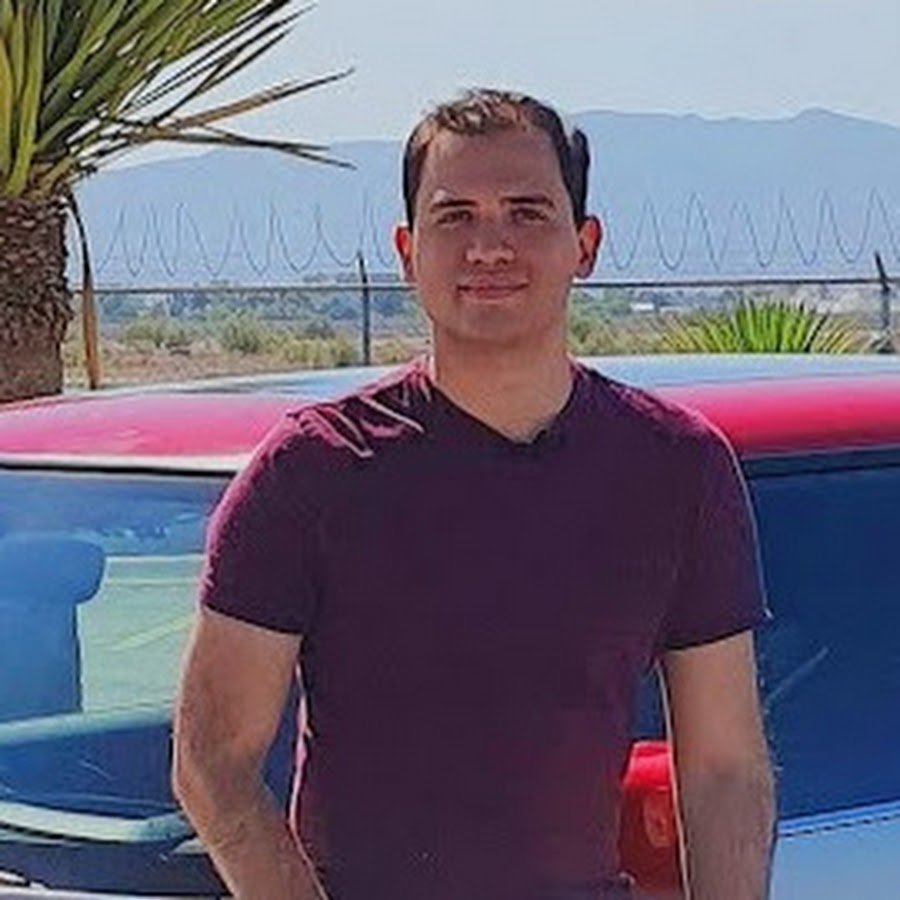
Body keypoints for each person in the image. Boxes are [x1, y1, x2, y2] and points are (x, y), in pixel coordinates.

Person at [172, 88, 776, 900]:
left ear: (585, 245)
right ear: (407, 250)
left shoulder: (677, 469)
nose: (489, 246)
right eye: (455, 216)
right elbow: (212, 764)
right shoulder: (309, 473)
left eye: (527, 212)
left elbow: (725, 767)